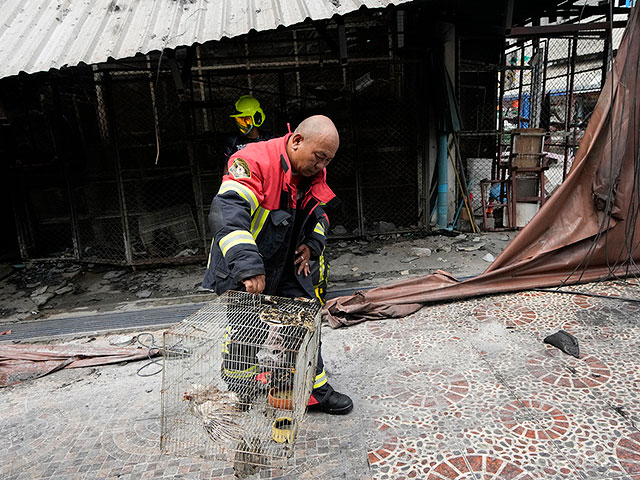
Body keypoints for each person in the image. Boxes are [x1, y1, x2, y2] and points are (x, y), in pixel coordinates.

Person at [203, 115, 353, 415]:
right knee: (246, 331)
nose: (322, 167)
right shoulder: (253, 161)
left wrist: (312, 245)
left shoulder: (311, 176)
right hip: (243, 263)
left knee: (305, 324)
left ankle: (313, 391)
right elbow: (227, 211)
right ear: (297, 141)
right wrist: (248, 264)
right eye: (319, 158)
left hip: (285, 263)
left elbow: (320, 217)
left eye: (327, 161)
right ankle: (240, 391)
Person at [224, 95, 272, 164]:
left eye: (246, 120)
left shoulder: (269, 140)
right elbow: (227, 169)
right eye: (239, 121)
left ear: (256, 118)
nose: (242, 125)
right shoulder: (233, 141)